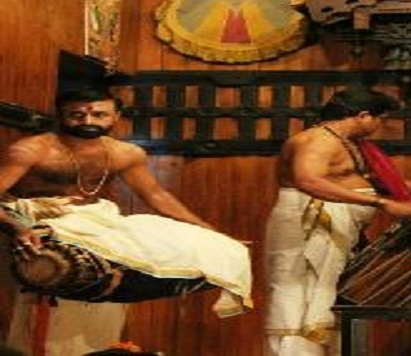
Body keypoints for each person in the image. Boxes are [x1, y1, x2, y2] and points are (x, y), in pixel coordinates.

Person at [0, 88, 252, 355]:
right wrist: (19, 227)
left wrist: (211, 231)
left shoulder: (125, 153)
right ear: (61, 115)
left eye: (99, 114)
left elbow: (156, 195)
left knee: (186, 244)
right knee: (42, 314)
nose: (88, 121)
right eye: (77, 115)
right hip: (37, 223)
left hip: (97, 221)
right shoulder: (30, 150)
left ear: (116, 116)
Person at [263, 88, 411, 356]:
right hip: (308, 226)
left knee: (327, 294)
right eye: (380, 119)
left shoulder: (346, 143)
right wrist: (380, 203)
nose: (379, 126)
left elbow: (366, 182)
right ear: (363, 115)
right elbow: (308, 181)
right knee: (299, 293)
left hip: (336, 228)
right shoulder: (317, 140)